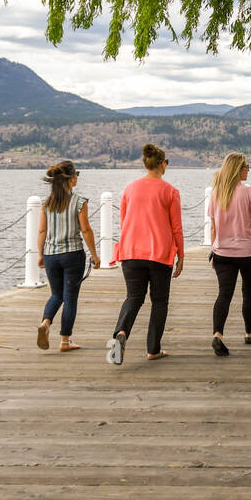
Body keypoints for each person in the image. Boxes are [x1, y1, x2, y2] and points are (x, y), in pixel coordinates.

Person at [107, 144, 184, 365]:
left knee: (133, 297)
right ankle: (153, 349)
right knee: (159, 301)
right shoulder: (170, 191)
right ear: (162, 164)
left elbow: (124, 222)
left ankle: (121, 332)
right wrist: (181, 255)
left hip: (130, 252)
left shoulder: (130, 189)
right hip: (159, 254)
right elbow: (176, 227)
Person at [207, 152, 251, 356]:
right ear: (238, 168)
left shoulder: (216, 193)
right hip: (250, 253)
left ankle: (218, 334)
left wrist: (213, 250)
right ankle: (248, 333)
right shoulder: (250, 192)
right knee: (249, 291)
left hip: (223, 253)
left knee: (224, 294)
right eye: (246, 165)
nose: (249, 168)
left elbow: (213, 228)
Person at [36, 160, 99, 351]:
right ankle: (64, 341)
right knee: (70, 297)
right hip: (72, 255)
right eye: (76, 174)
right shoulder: (79, 202)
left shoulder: (47, 203)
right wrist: (95, 255)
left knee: (56, 294)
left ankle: (45, 322)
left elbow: (41, 231)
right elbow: (86, 230)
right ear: (71, 179)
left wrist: (40, 255)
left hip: (51, 255)